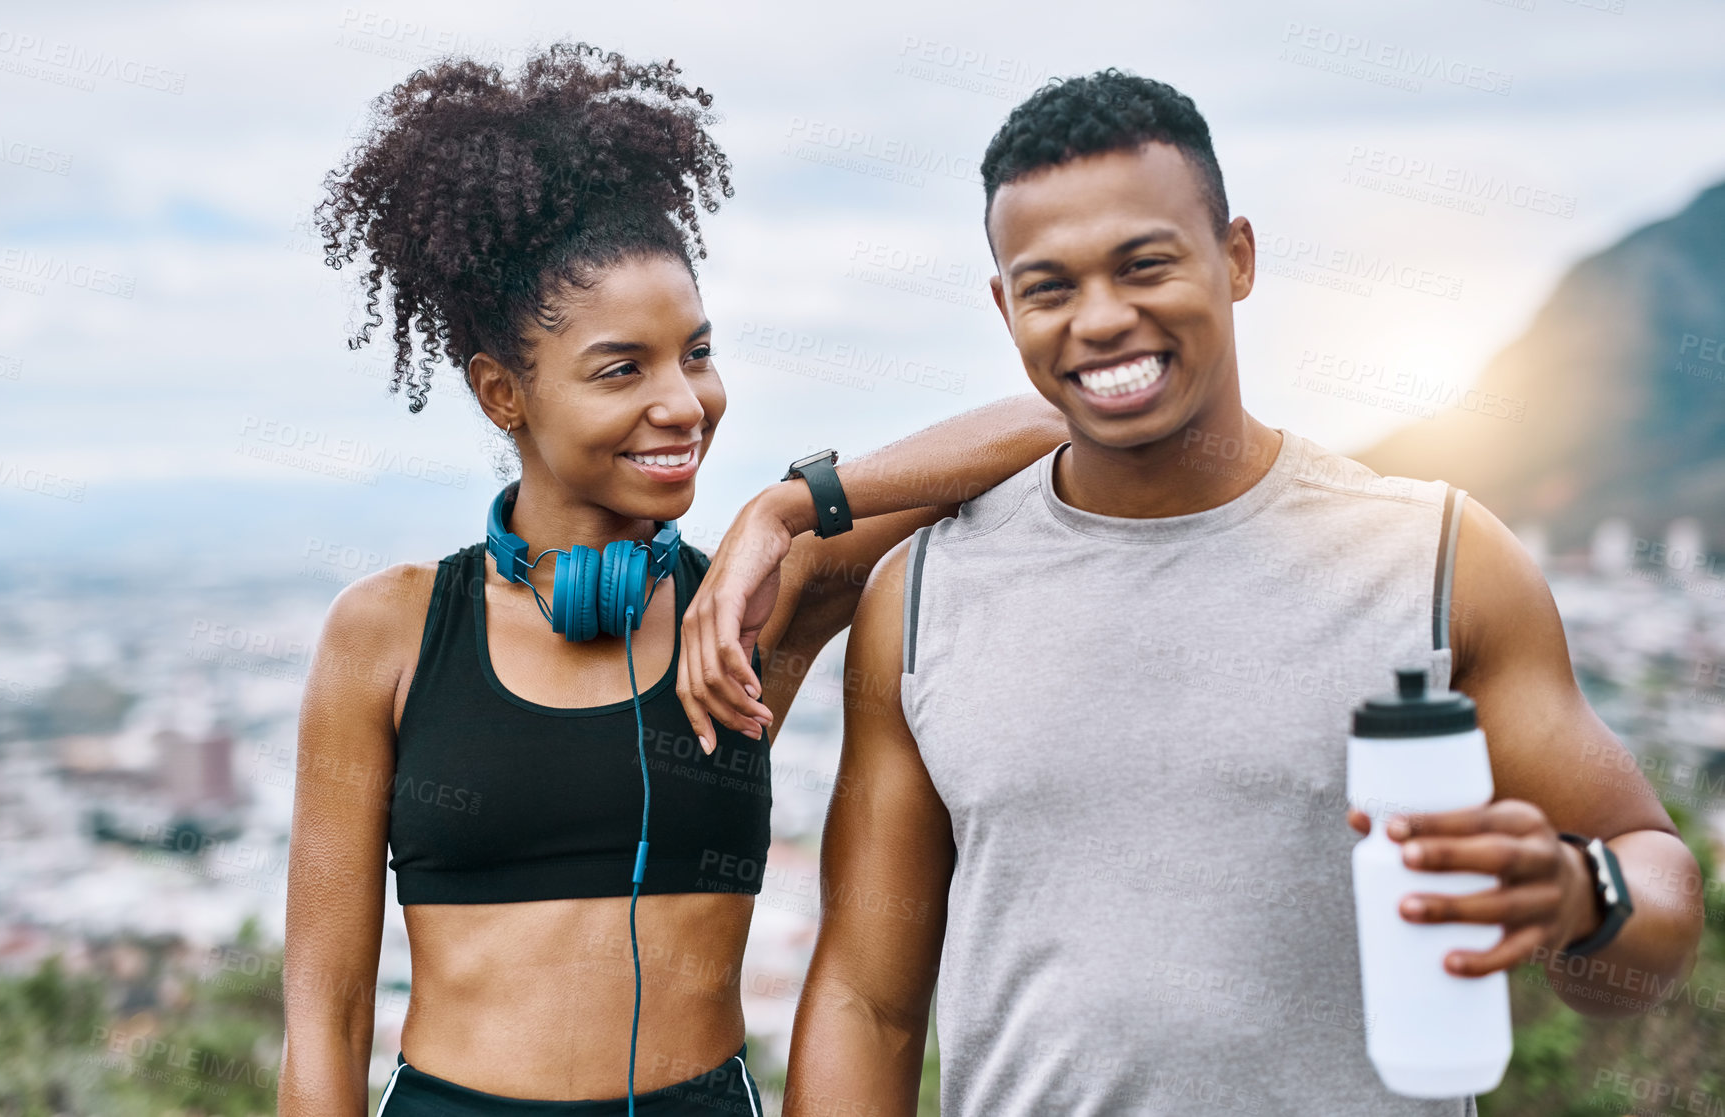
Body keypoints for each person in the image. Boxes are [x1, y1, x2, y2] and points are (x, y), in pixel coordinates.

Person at [780, 70, 1705, 1116]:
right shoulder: (922, 600)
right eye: (1050, 287)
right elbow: (868, 1000)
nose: (1102, 319)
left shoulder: (1441, 558)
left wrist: (1586, 896)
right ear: (1005, 307)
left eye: (1146, 265)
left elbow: (1654, 884)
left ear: (1237, 258)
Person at [279, 43, 1066, 1116]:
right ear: (503, 392)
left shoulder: (755, 603)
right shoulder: (386, 632)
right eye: (623, 368)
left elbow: (1048, 421)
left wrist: (783, 509)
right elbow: (322, 1012)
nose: (685, 401)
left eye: (696, 353)